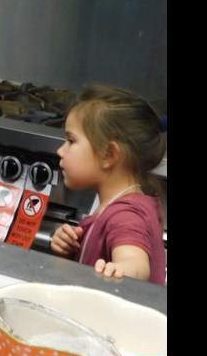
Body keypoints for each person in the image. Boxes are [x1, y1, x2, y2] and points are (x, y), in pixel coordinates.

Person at [49, 85, 167, 285]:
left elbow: (136, 262)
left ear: (108, 155)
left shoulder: (125, 215)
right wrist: (68, 250)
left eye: (70, 140)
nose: (60, 150)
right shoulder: (127, 201)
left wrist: (123, 269)